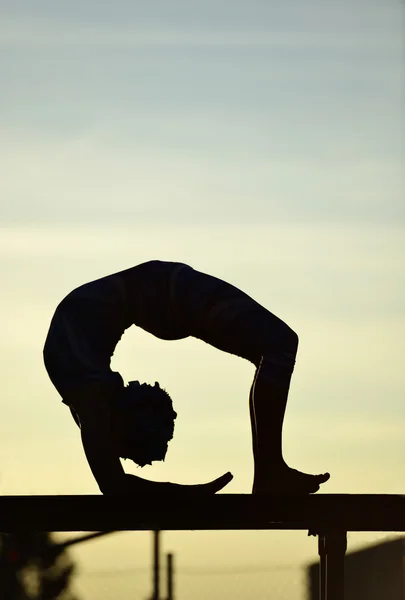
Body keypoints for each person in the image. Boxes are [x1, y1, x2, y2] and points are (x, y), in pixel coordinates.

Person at [43, 260, 330, 496]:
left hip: (160, 291)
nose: (170, 410)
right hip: (162, 291)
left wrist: (188, 494)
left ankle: (270, 472)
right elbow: (115, 484)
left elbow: (115, 488)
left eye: (154, 420)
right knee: (278, 346)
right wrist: (188, 493)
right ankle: (270, 472)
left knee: (280, 344)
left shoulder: (91, 402)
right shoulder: (85, 397)